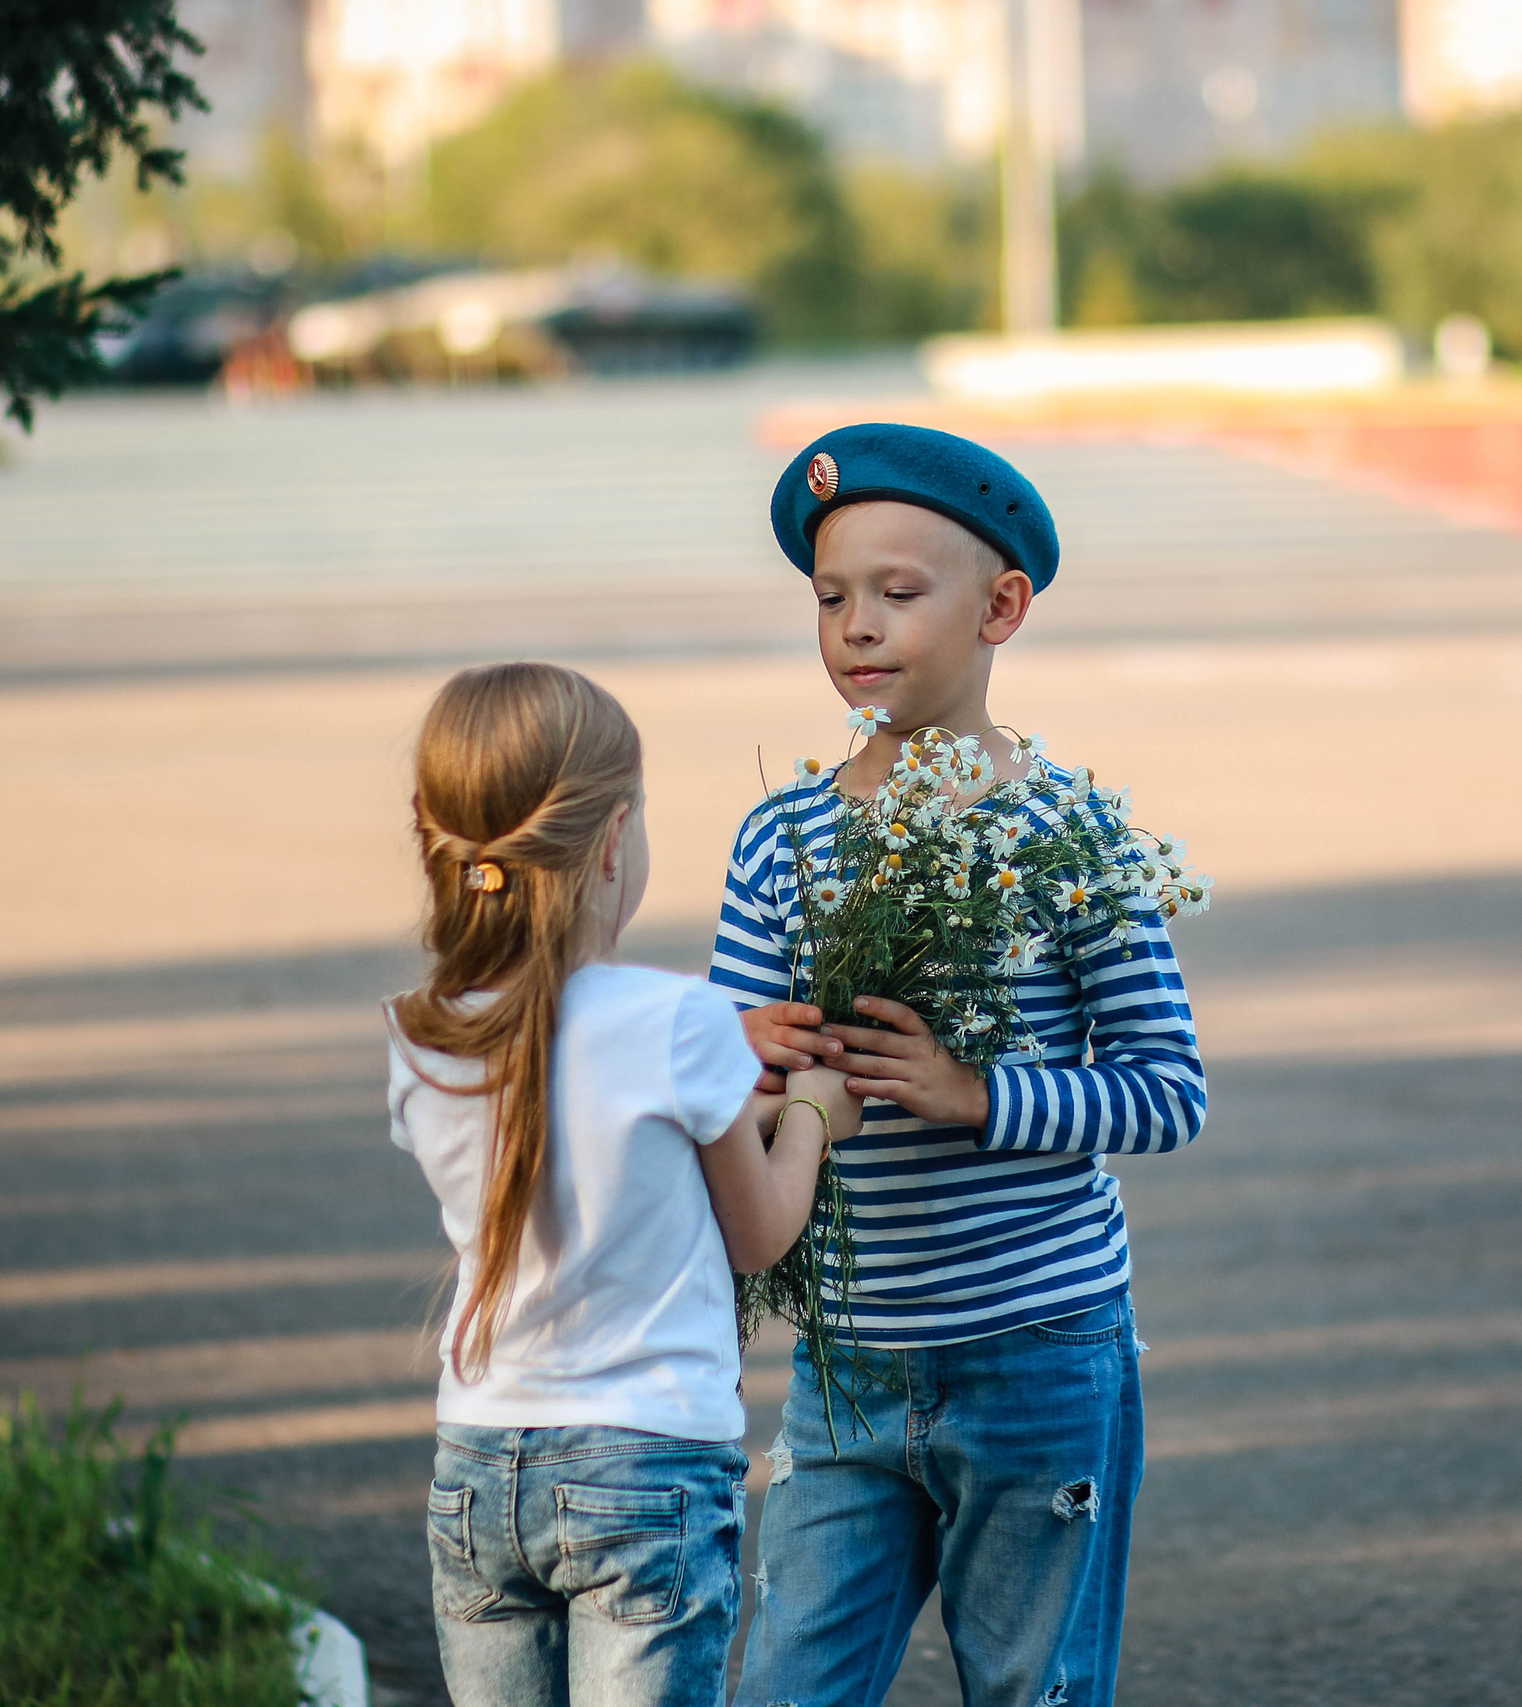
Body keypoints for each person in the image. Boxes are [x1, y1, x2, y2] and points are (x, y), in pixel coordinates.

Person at [714, 426, 1209, 1707]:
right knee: (785, 1688)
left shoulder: (1070, 831)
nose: (856, 629)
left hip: (1038, 1353)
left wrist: (971, 1093)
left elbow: (1166, 1089)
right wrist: (749, 1054)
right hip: (846, 1363)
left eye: (897, 592)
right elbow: (722, 1100)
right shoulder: (781, 838)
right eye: (830, 598)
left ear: (1000, 609)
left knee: (1036, 1688)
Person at [387, 660, 863, 1707]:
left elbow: (566, 1091)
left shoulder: (422, 1036)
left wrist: (711, 1064)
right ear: (612, 840)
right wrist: (817, 1115)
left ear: (434, 827)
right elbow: (759, 1232)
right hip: (646, 1468)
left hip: (476, 1459)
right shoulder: (679, 1022)